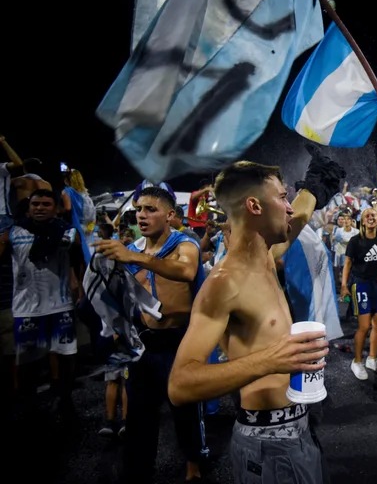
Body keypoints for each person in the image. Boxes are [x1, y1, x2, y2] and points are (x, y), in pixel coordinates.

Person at [168, 159, 339, 484]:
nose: (289, 208)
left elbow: (299, 217)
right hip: (266, 443)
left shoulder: (266, 258)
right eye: (281, 197)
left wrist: (315, 186)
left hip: (302, 430)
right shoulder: (224, 283)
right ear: (253, 205)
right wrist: (271, 360)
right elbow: (180, 384)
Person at [93, 186, 209, 483]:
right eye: (138, 210)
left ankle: (193, 466)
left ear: (170, 215)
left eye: (150, 209)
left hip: (179, 342)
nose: (141, 215)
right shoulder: (130, 251)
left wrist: (134, 259)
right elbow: (122, 297)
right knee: (139, 416)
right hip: (143, 343)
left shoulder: (186, 244)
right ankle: (139, 471)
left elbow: (185, 271)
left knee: (185, 409)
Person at [0, 189, 81, 422]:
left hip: (60, 305)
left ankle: (66, 400)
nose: (40, 208)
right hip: (27, 308)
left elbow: (75, 254)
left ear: (55, 208)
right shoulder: (14, 232)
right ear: (29, 207)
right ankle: (29, 406)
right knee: (28, 363)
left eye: (46, 204)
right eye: (36, 204)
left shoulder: (67, 231)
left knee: (66, 357)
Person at [340, 207, 377, 380]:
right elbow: (347, 263)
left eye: (373, 215)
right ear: (362, 220)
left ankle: (372, 359)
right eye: (367, 215)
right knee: (364, 326)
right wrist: (344, 285)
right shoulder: (356, 241)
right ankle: (357, 361)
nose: (370, 217)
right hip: (361, 285)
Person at [61, 168, 96, 265]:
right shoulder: (86, 195)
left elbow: (67, 208)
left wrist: (58, 211)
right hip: (89, 229)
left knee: (77, 260)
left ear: (67, 180)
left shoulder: (67, 191)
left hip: (77, 229)